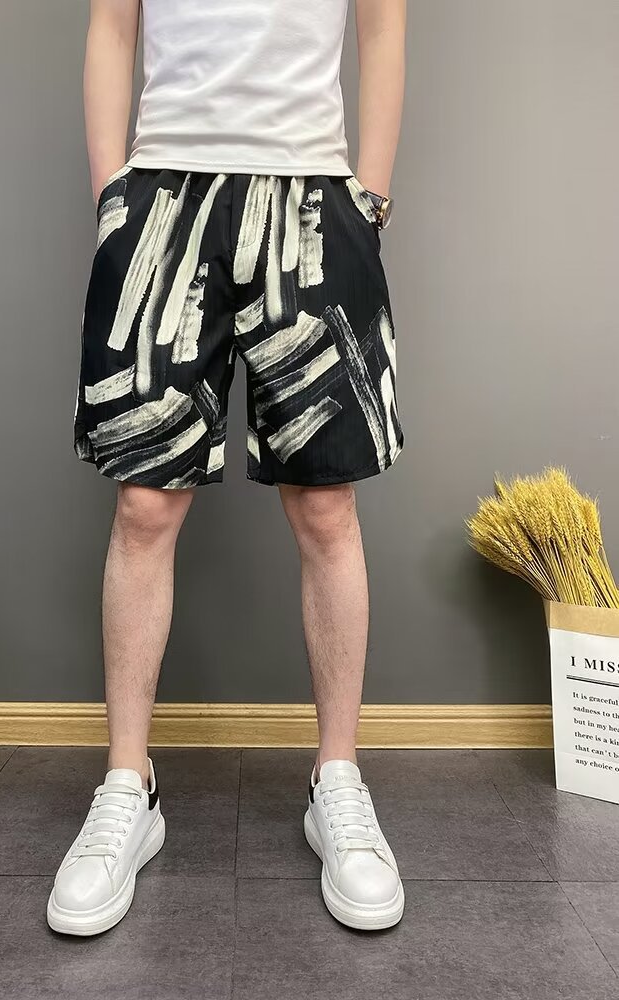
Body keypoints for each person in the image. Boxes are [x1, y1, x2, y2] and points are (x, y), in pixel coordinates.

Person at [47, 0, 406, 935]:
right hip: (164, 194)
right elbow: (112, 26)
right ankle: (128, 787)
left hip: (312, 193)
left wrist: (368, 198)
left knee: (326, 507)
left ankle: (339, 779)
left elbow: (382, 27)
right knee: (144, 507)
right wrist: (113, 197)